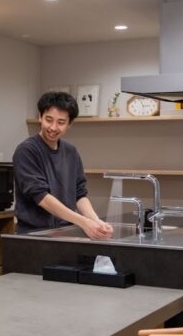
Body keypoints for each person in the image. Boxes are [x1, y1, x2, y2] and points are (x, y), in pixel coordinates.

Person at [13, 91, 114, 238]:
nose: (53, 128)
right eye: (49, 120)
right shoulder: (27, 150)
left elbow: (79, 194)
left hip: (65, 233)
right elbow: (41, 197)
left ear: (69, 124)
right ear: (40, 117)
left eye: (61, 122)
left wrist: (96, 220)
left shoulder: (71, 151)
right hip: (35, 235)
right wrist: (83, 222)